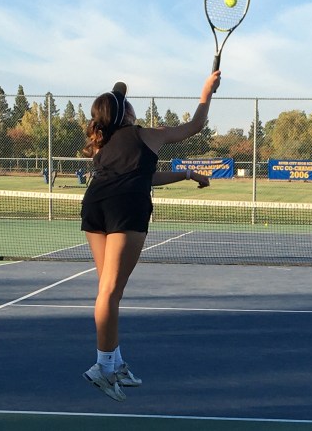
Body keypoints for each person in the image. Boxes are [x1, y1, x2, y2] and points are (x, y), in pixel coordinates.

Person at [80, 71, 221, 401]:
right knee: (111, 292)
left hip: (95, 205)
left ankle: (114, 361)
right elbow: (195, 126)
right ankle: (102, 365)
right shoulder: (145, 134)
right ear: (125, 113)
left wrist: (187, 174)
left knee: (107, 291)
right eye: (128, 103)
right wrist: (207, 90)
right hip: (125, 208)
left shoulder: (105, 145)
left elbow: (145, 176)